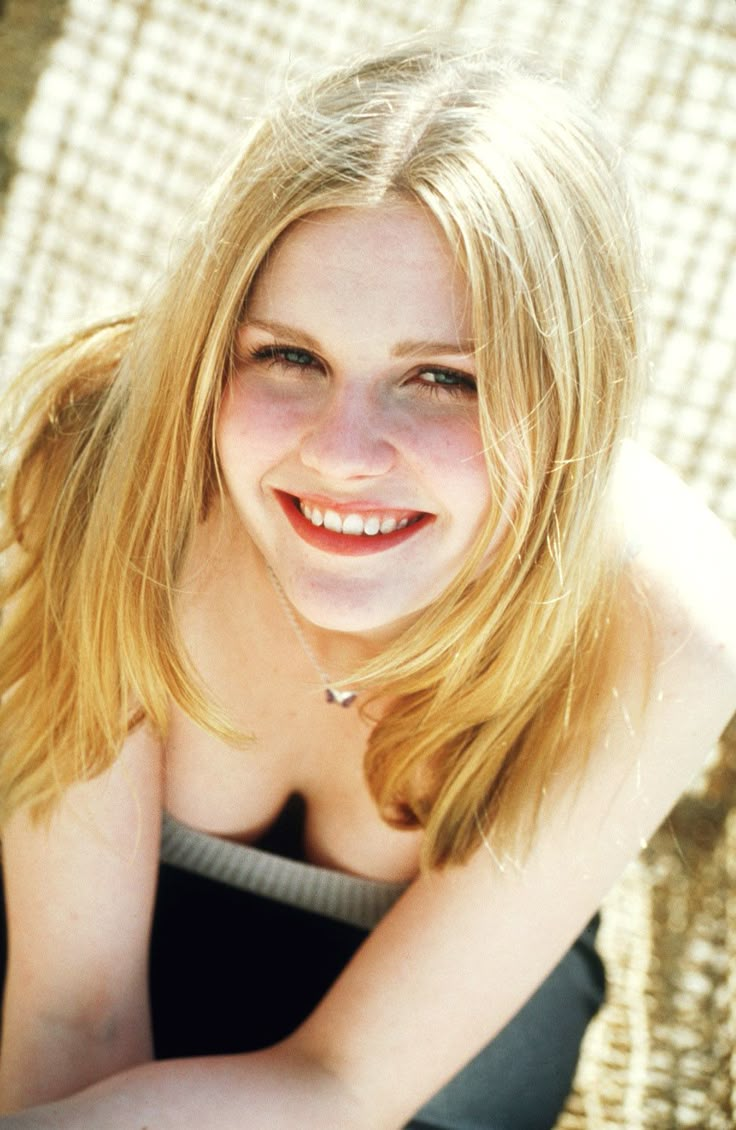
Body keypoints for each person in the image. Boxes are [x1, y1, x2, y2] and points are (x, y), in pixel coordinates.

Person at [0, 41, 734, 1130]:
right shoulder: (111, 469)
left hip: (413, 1079)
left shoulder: (661, 621)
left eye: (443, 377)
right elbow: (74, 1013)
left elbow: (344, 1085)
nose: (343, 452)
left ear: (570, 393)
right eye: (287, 357)